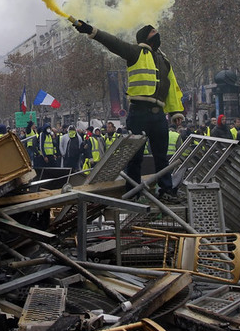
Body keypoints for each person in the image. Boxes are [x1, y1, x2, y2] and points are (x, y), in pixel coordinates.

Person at [74, 21, 184, 200]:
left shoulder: (165, 61)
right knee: (135, 157)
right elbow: (113, 42)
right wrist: (92, 31)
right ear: (145, 37)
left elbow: (172, 88)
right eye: (153, 32)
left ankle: (166, 190)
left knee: (161, 157)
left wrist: (175, 112)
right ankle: (133, 192)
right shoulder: (135, 52)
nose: (157, 34)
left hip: (158, 115)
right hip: (138, 112)